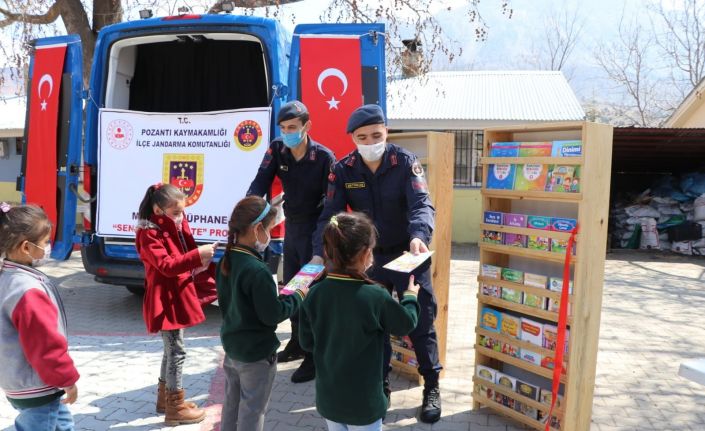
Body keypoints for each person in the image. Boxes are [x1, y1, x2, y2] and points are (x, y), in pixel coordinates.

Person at [311, 104, 443, 423]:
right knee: (373, 323)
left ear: (386, 132)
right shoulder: (343, 169)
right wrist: (320, 253)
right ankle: (379, 383)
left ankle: (432, 386)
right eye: (362, 136)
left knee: (421, 320)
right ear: (353, 138)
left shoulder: (405, 162)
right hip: (367, 258)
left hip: (407, 252)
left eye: (376, 134)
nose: (370, 141)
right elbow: (329, 214)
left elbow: (421, 204)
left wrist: (419, 235)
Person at [300, 212, 419, 431]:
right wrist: (411, 297)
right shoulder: (375, 295)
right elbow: (405, 324)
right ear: (365, 254)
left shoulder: (314, 293)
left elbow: (307, 343)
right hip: (364, 403)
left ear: (327, 251)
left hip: (329, 399)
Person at [247, 100, 335, 383]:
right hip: (293, 228)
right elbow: (260, 181)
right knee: (292, 288)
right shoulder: (277, 149)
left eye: (293, 128)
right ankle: (297, 342)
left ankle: (314, 356)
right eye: (284, 128)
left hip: (316, 229)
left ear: (307, 126)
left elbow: (332, 205)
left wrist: (321, 247)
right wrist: (248, 209)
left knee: (310, 292)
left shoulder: (324, 157)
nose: (288, 133)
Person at [216, 196, 308, 431]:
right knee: (252, 412)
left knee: (231, 406)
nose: (270, 235)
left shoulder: (227, 259)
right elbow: (272, 315)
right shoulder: (257, 271)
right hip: (256, 355)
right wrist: (298, 295)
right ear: (257, 230)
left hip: (233, 349)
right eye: (268, 229)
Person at [135, 184, 218, 426]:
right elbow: (168, 265)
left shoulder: (172, 222)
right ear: (157, 209)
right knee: (177, 352)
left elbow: (184, 252)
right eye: (175, 212)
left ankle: (166, 400)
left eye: (182, 211)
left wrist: (199, 260)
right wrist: (196, 255)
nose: (180, 216)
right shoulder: (148, 233)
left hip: (176, 293)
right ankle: (175, 407)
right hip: (165, 299)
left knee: (171, 350)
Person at [0, 203, 80, 431]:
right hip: (37, 384)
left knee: (61, 423)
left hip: (17, 378)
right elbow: (45, 344)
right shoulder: (27, 290)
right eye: (45, 242)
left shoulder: (7, 275)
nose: (48, 247)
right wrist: (67, 379)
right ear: (26, 247)